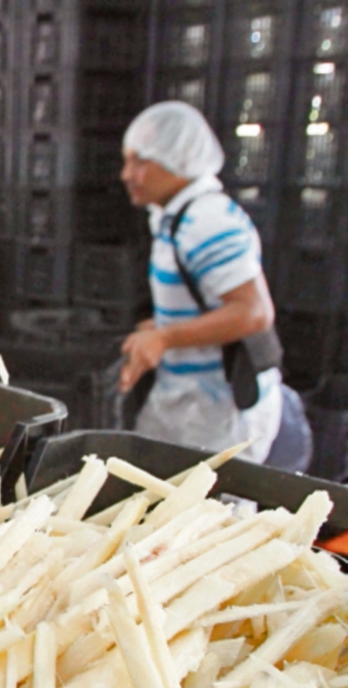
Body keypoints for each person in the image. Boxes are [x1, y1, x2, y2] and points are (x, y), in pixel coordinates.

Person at [118, 102, 283, 463]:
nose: (127, 174)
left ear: (179, 159)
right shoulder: (171, 217)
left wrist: (166, 337)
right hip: (184, 400)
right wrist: (160, 326)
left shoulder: (207, 222)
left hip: (220, 411)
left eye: (140, 161)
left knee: (214, 513)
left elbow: (253, 313)